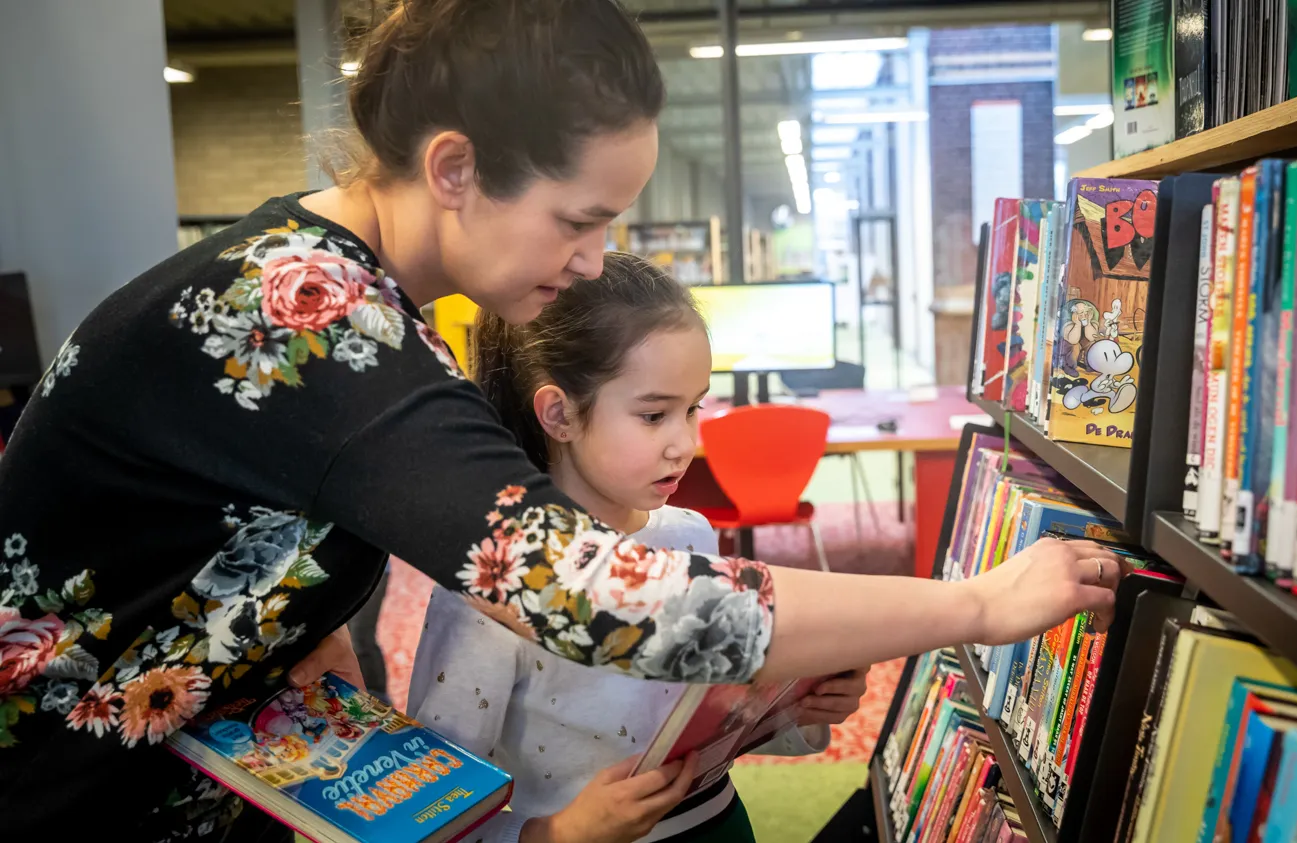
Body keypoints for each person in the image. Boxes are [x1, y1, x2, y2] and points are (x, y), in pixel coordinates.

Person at [0, 1, 1123, 838]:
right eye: (577, 220)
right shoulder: (305, 317)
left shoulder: (362, 304)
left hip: (201, 762)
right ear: (454, 169)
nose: (591, 261)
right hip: (72, 790)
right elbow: (596, 600)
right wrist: (974, 602)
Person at [409, 253, 871, 843]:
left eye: (694, 407)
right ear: (559, 414)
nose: (686, 443)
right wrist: (556, 834)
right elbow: (431, 814)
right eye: (654, 415)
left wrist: (801, 706)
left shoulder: (689, 534)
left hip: (720, 823)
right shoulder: (491, 587)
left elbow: (695, 718)